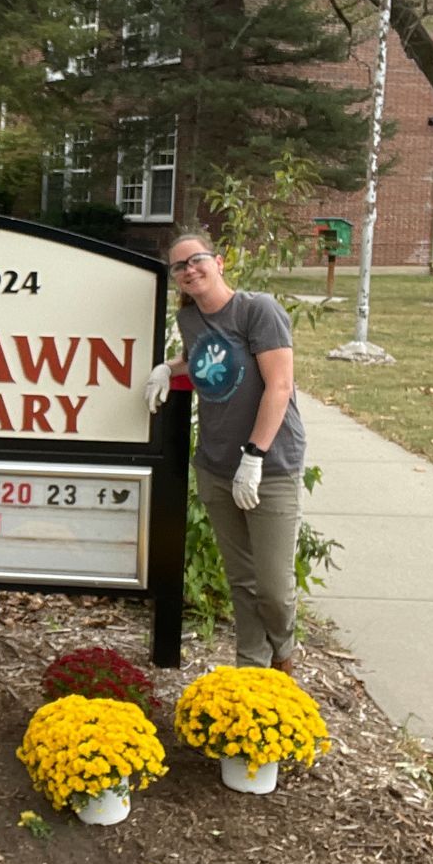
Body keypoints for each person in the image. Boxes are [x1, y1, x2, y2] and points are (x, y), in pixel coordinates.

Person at [144, 231, 307, 674]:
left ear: (218, 262)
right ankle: (251, 672)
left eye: (196, 260)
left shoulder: (258, 310)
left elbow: (280, 386)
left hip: (269, 467)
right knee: (242, 581)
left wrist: (253, 456)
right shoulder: (191, 320)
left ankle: (285, 653)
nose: (189, 270)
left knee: (274, 588)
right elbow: (202, 356)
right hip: (216, 467)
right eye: (179, 267)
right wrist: (169, 367)